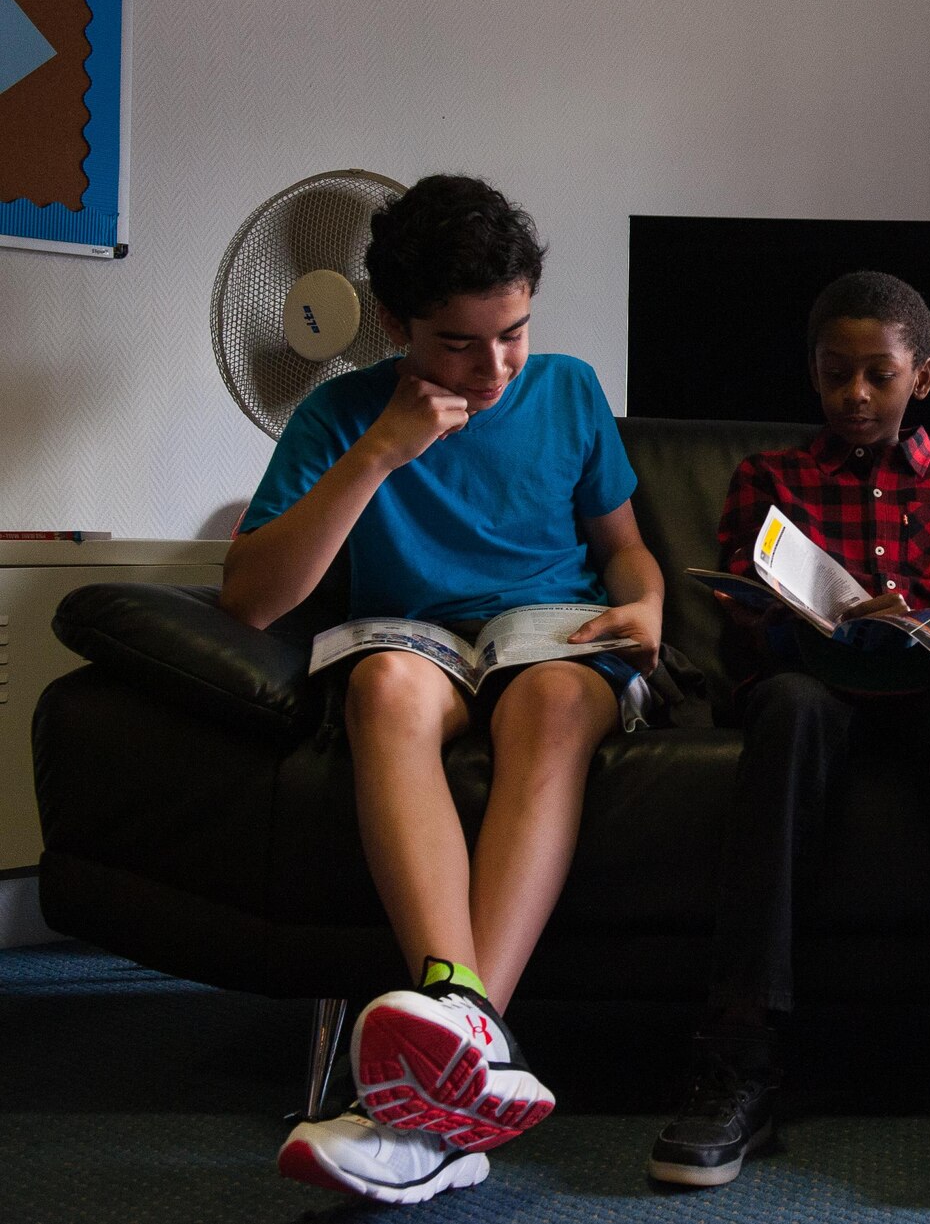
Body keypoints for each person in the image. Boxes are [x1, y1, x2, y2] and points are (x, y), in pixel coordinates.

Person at [222, 175, 666, 1204]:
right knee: (381, 685)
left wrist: (646, 611)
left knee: (549, 700)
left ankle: (453, 1040)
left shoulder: (566, 390)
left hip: (553, 636)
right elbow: (249, 598)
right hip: (417, 640)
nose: (495, 366)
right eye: (459, 343)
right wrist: (381, 449)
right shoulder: (342, 413)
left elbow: (629, 554)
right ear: (391, 324)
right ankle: (466, 1045)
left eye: (512, 331)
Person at [646, 271, 930, 1198]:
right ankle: (742, 1051)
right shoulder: (770, 477)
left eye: (878, 376)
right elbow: (742, 613)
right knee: (786, 703)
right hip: (816, 683)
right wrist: (801, 615)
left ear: (924, 377)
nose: (856, 396)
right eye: (835, 376)